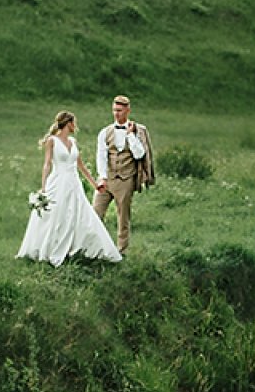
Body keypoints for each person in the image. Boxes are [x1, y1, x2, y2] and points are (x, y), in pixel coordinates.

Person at [17, 111, 123, 265]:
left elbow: (80, 166)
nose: (75, 126)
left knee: (79, 214)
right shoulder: (51, 141)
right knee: (57, 215)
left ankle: (81, 248)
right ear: (68, 123)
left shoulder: (73, 142)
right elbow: (47, 164)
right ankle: (49, 248)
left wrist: (95, 184)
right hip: (58, 182)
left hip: (74, 184)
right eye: (74, 123)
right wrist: (44, 187)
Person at [92, 94, 154, 254]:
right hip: (108, 179)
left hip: (126, 179)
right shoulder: (105, 132)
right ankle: (93, 248)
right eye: (114, 110)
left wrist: (130, 135)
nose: (116, 114)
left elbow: (140, 154)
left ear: (127, 111)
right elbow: (101, 156)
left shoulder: (138, 131)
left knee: (123, 217)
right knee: (95, 214)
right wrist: (102, 177)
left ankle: (121, 251)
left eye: (119, 110)